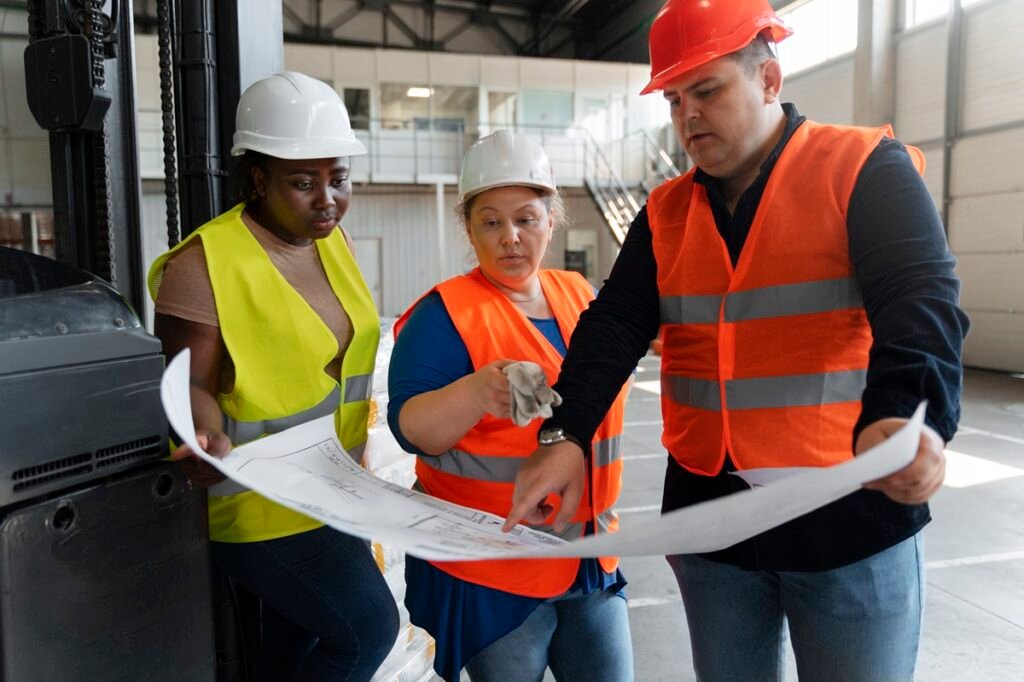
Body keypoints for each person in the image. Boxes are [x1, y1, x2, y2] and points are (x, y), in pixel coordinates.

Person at [504, 1, 970, 680]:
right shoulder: (666, 212)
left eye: (707, 90)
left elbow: (919, 297)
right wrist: (565, 432)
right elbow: (614, 325)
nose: (687, 117)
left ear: (770, 80)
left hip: (848, 509)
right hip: (710, 521)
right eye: (673, 98)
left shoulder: (862, 167)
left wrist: (907, 412)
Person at [148, 71, 399, 681]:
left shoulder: (331, 242)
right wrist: (202, 436)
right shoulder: (205, 264)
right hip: (260, 504)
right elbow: (191, 383)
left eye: (338, 179)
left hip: (333, 489)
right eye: (302, 183)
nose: (327, 200)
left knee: (293, 645)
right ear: (258, 180)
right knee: (368, 629)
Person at [387, 130, 634, 682]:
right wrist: (476, 393)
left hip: (591, 556)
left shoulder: (583, 296)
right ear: (469, 230)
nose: (511, 238)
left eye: (526, 218)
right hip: (495, 571)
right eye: (491, 222)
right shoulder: (443, 316)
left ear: (552, 218)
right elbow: (412, 429)